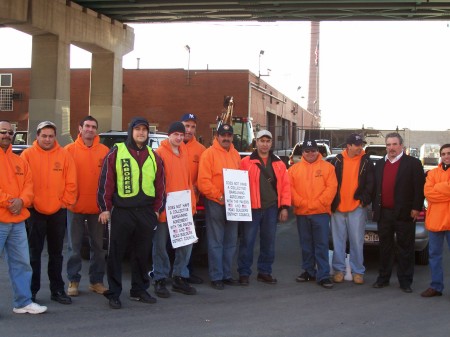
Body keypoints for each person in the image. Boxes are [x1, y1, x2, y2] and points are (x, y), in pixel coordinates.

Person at [98, 117, 165, 309]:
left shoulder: (154, 156)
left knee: (142, 254)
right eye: (137, 129)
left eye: (144, 130)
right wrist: (104, 208)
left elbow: (161, 186)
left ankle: (139, 290)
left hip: (145, 212)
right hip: (122, 212)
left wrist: (156, 211)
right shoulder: (116, 153)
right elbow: (106, 182)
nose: (141, 133)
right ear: (131, 131)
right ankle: (114, 293)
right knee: (115, 254)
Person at [21, 121, 77, 305]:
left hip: (57, 212)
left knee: (56, 254)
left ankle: (57, 290)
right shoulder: (27, 155)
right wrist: (29, 203)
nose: (47, 139)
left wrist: (64, 203)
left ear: (55, 137)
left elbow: (71, 183)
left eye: (51, 136)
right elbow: (21, 182)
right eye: (44, 136)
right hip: (34, 211)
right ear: (37, 136)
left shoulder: (64, 155)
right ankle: (31, 291)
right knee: (33, 254)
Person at [0, 120, 47, 315]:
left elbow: (29, 186)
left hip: (18, 221)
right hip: (2, 219)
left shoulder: (19, 161)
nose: (7, 135)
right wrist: (10, 202)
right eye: (3, 132)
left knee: (22, 263)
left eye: (10, 132)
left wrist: (22, 201)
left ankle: (23, 302)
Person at [372, 132, 425, 293]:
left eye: (394, 144)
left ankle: (405, 281)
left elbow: (419, 188)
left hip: (405, 213)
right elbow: (376, 188)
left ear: (401, 145)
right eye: (388, 145)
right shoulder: (381, 164)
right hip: (384, 213)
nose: (391, 148)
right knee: (385, 248)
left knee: (405, 248)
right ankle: (383, 278)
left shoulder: (413, 163)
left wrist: (416, 208)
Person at [237, 130, 291, 285]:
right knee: (247, 241)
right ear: (257, 142)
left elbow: (285, 187)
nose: (265, 144)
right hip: (251, 208)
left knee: (269, 241)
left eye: (268, 141)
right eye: (262, 141)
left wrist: (284, 207)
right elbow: (238, 184)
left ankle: (265, 271)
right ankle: (244, 272)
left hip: (271, 208)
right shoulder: (245, 162)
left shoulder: (279, 164)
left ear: (271, 143)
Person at [65, 116, 109, 297]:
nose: (90, 129)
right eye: (87, 126)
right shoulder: (68, 150)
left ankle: (96, 281)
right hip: (74, 207)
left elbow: (109, 181)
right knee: (74, 248)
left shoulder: (105, 151)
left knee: (98, 247)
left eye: (93, 127)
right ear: (80, 128)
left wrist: (106, 206)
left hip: (97, 210)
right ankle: (73, 281)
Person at [152, 122, 197, 298]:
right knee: (160, 245)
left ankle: (179, 276)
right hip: (164, 207)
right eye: (175, 134)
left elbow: (188, 180)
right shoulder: (158, 154)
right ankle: (160, 278)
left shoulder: (184, 152)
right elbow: (154, 183)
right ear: (169, 135)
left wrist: (191, 204)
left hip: (182, 208)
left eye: (181, 134)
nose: (179, 137)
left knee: (185, 244)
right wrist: (157, 207)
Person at [288, 139, 337, 289]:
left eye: (313, 150)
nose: (310, 153)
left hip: (320, 213)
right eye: (307, 151)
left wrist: (315, 204)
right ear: (302, 152)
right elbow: (290, 189)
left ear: (318, 152)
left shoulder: (328, 168)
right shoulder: (293, 169)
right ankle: (308, 271)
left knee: (321, 245)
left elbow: (331, 188)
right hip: (302, 213)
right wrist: (303, 203)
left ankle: (323, 275)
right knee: (306, 244)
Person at [198, 123, 241, 290]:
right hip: (216, 202)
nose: (226, 138)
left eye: (229, 135)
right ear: (217, 136)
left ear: (232, 137)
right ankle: (216, 276)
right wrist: (219, 196)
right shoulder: (208, 154)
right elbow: (203, 181)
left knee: (231, 241)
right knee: (216, 241)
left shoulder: (236, 154)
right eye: (223, 135)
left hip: (234, 204)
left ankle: (227, 274)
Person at [329, 133, 374, 285]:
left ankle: (358, 272)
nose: (360, 147)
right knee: (338, 241)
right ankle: (339, 271)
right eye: (357, 145)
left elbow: (370, 183)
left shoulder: (366, 161)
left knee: (357, 241)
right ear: (348, 146)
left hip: (357, 207)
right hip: (338, 208)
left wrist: (364, 200)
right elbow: (330, 182)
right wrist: (332, 202)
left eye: (361, 144)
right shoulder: (337, 160)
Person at [420, 144, 450, 297]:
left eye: (449, 153)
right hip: (436, 221)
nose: (446, 156)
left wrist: (437, 188)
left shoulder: (432, 177)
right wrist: (446, 190)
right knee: (434, 255)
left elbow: (433, 192)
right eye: (444, 153)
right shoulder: (432, 173)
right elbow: (428, 193)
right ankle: (436, 286)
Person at [180, 113, 206, 285]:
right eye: (186, 126)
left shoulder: (201, 150)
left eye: (192, 127)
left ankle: (187, 270)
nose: (189, 130)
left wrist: (197, 186)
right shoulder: (172, 145)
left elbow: (203, 174)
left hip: (192, 203)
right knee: (170, 239)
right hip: (173, 202)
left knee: (190, 239)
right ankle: (170, 271)